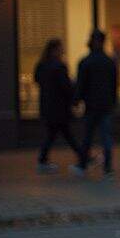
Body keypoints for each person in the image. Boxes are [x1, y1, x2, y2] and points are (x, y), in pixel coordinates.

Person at [33, 38, 83, 174]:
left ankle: (82, 156)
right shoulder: (59, 66)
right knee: (63, 134)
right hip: (60, 107)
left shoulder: (41, 65)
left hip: (47, 106)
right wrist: (75, 98)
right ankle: (83, 157)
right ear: (55, 50)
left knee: (57, 134)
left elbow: (37, 80)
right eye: (61, 48)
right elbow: (66, 87)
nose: (63, 50)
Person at [75, 30, 118, 177]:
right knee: (106, 137)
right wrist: (114, 102)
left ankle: (82, 165)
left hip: (91, 105)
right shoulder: (109, 62)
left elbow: (81, 84)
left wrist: (76, 100)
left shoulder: (86, 62)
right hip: (106, 104)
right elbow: (114, 85)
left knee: (87, 136)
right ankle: (108, 168)